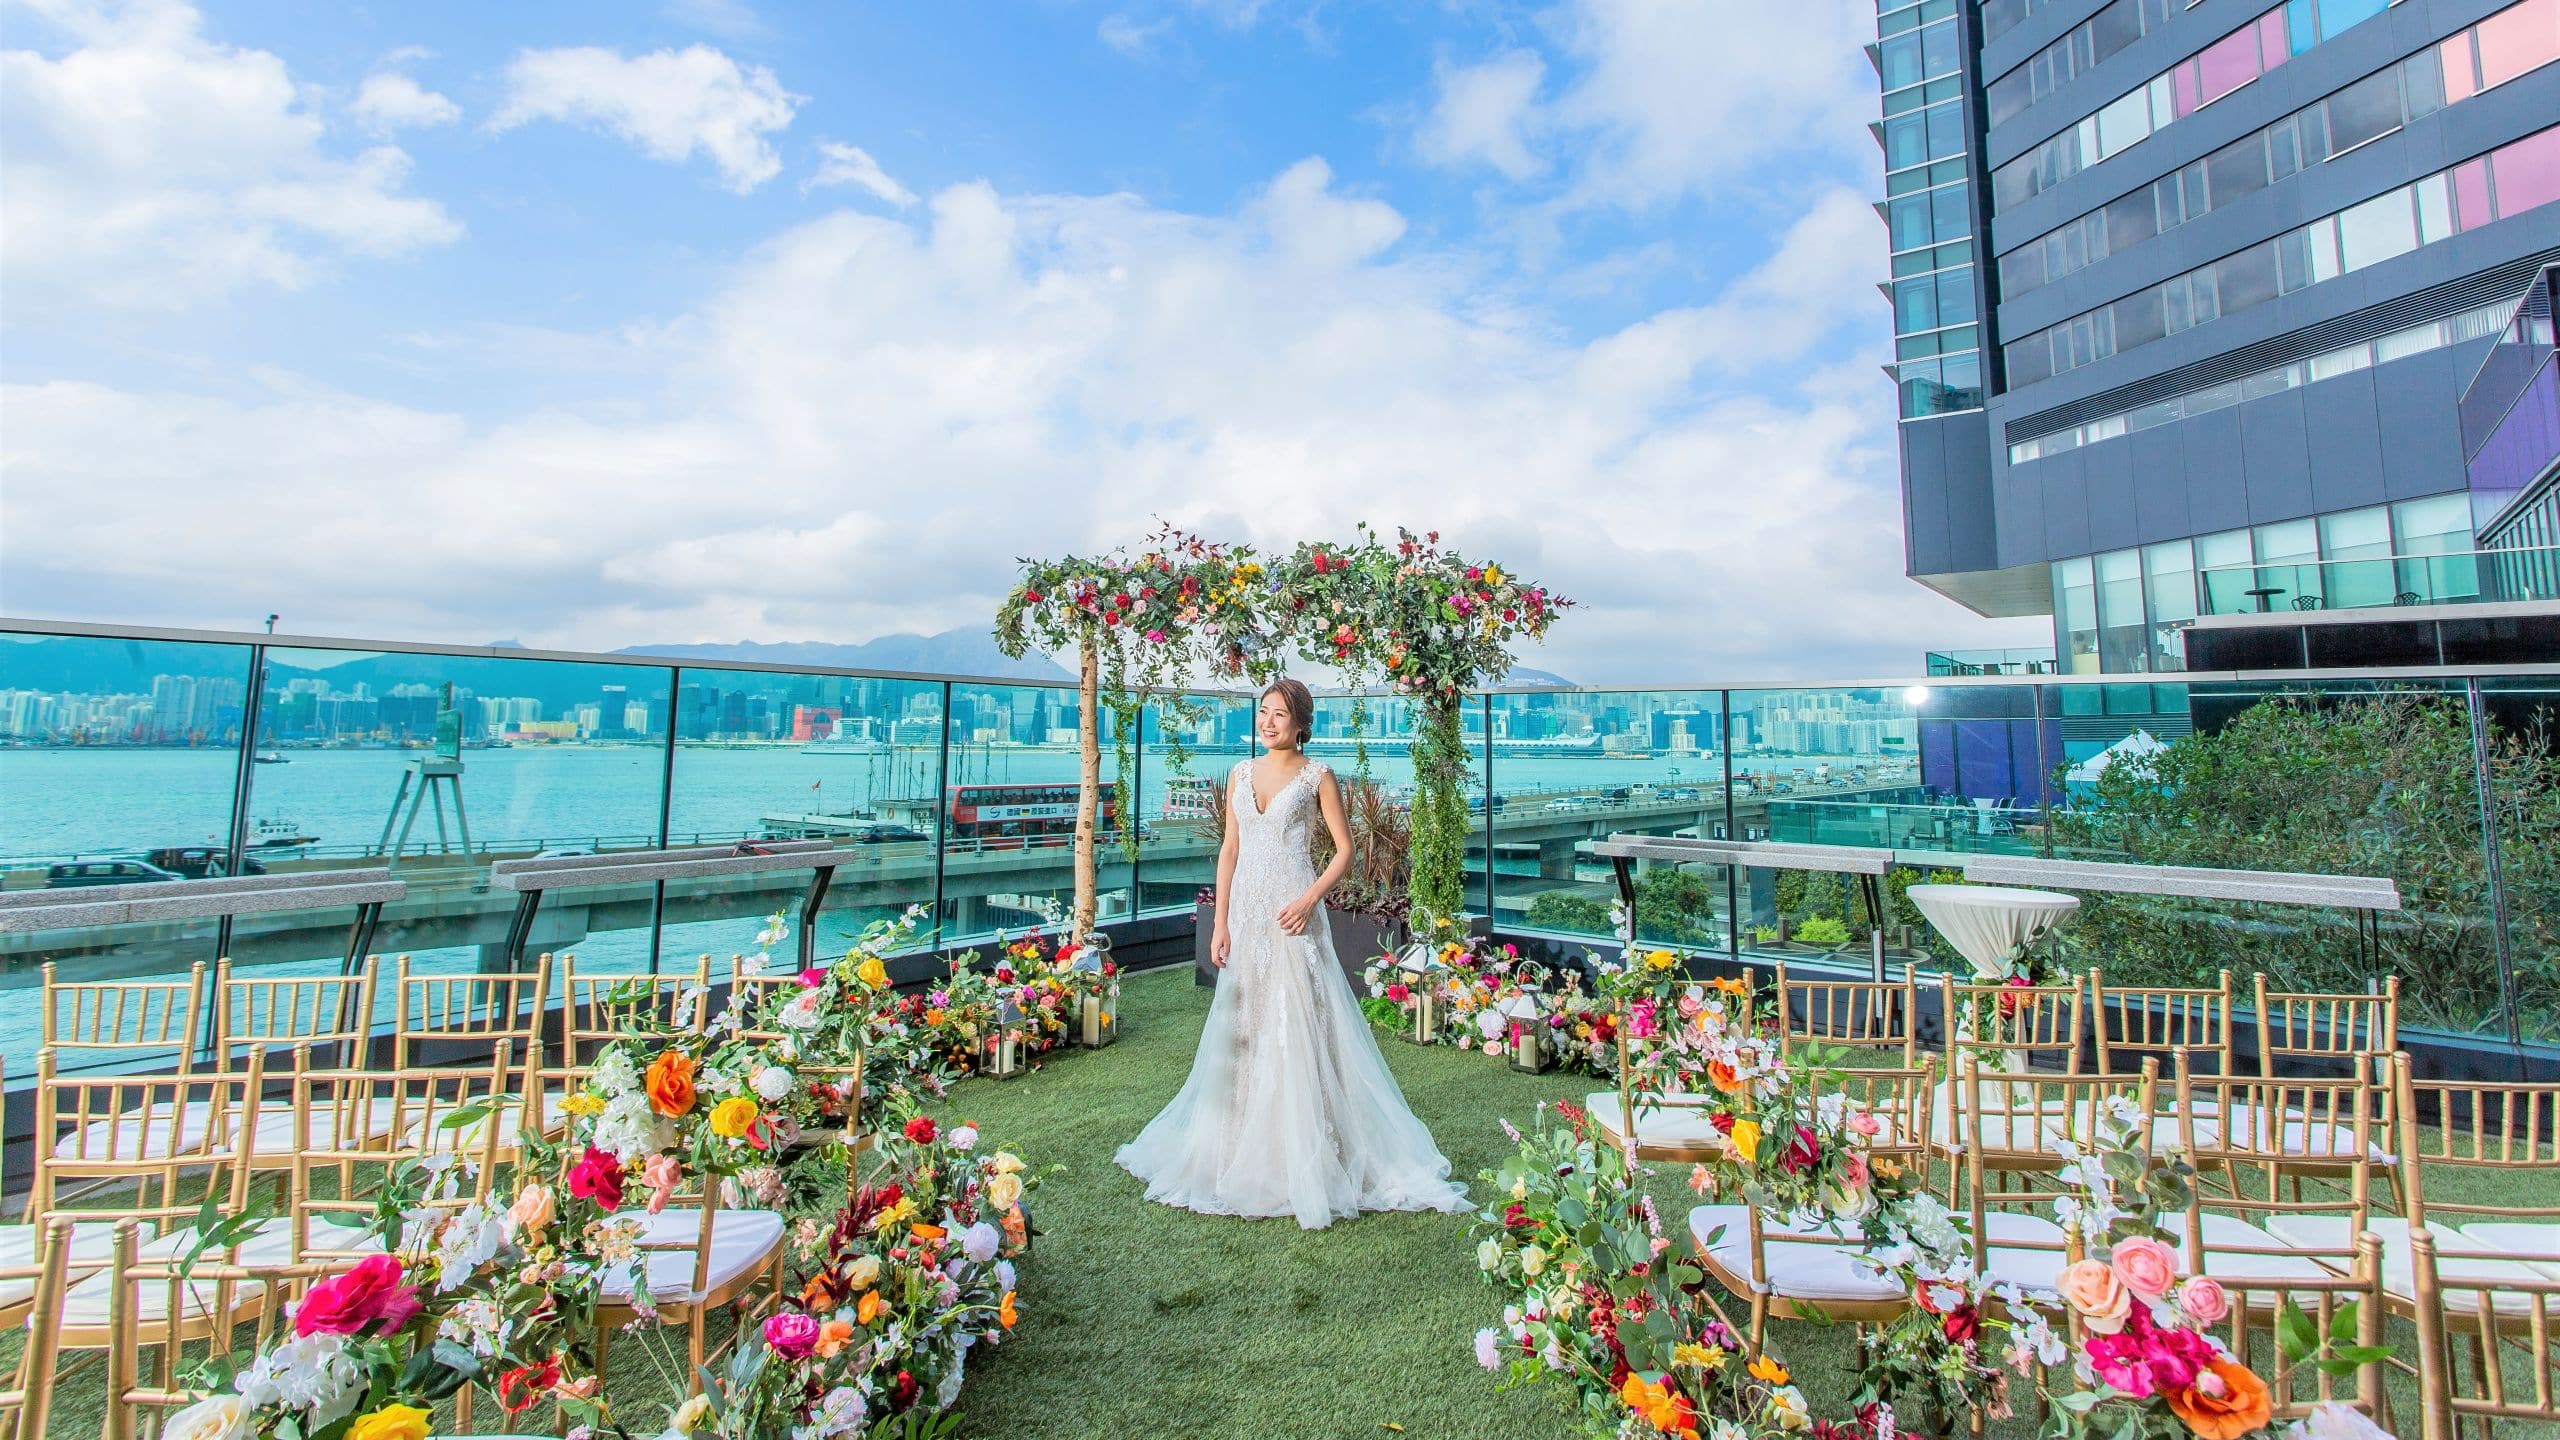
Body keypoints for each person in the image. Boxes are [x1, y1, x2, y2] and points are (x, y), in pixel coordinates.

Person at [1115, 677, 1472, 1229]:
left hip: (1293, 915)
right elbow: (1229, 850)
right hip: (1249, 918)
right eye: (1263, 712)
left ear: (1301, 722)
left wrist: (1308, 901)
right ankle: (1237, 1142)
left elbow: (1345, 852)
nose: (1268, 721)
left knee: (1300, 1020)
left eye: (1279, 714)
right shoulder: (1239, 773)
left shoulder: (1317, 776)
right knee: (1247, 1021)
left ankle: (1309, 1148)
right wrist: (1222, 922)